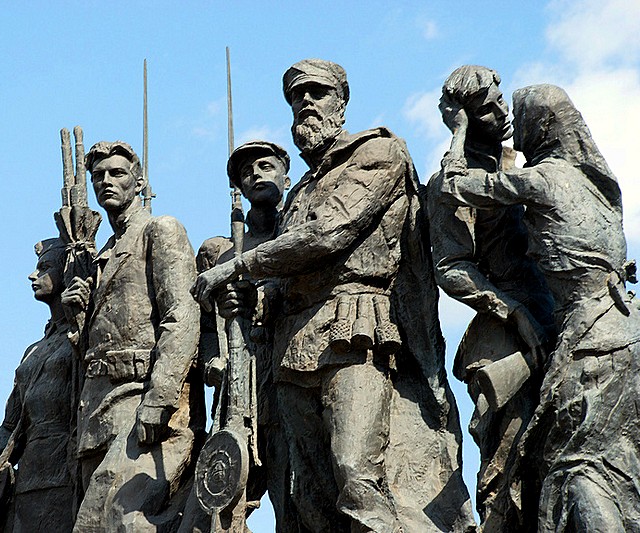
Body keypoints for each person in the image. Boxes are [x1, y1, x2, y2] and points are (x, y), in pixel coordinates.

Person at [194, 59, 475, 532]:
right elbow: (286, 279)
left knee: (356, 474)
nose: (305, 102)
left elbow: (329, 233)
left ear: (341, 102)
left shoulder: (378, 152)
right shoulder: (299, 190)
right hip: (291, 348)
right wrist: (249, 302)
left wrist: (239, 265)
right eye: (295, 97)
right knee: (307, 496)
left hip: (354, 328)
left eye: (317, 93)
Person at [440, 84, 640, 532]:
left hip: (588, 342)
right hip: (627, 330)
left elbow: (455, 183)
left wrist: (455, 132)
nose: (508, 118)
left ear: (542, 126)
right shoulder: (597, 182)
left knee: (580, 471)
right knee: (624, 474)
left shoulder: (542, 177)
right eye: (488, 109)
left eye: (515, 111)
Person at [426, 65, 556, 531]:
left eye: (500, 99)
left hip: (557, 314)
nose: (501, 112)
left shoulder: (518, 165)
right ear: (460, 117)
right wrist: (511, 310)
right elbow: (450, 268)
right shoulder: (447, 185)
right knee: (508, 463)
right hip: (506, 334)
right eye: (484, 108)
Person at [62, 141, 204, 532]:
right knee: (91, 523)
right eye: (98, 176)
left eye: (117, 173)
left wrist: (161, 398)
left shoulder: (160, 230)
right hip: (97, 410)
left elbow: (182, 317)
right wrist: (77, 317)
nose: (106, 181)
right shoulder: (101, 254)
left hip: (141, 396)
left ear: (139, 182)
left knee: (120, 519)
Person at [182, 140, 297, 532]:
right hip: (240, 380)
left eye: (266, 166)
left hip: (288, 366)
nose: (256, 175)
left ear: (287, 174)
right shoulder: (224, 253)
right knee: (226, 494)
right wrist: (215, 358)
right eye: (246, 172)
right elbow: (205, 324)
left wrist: (259, 298)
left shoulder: (296, 235)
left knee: (292, 488)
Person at [0, 238, 77, 532]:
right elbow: (10, 423)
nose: (33, 275)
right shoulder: (33, 350)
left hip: (64, 475)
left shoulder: (80, 338)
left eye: (44, 268)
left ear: (65, 274)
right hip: (28, 477)